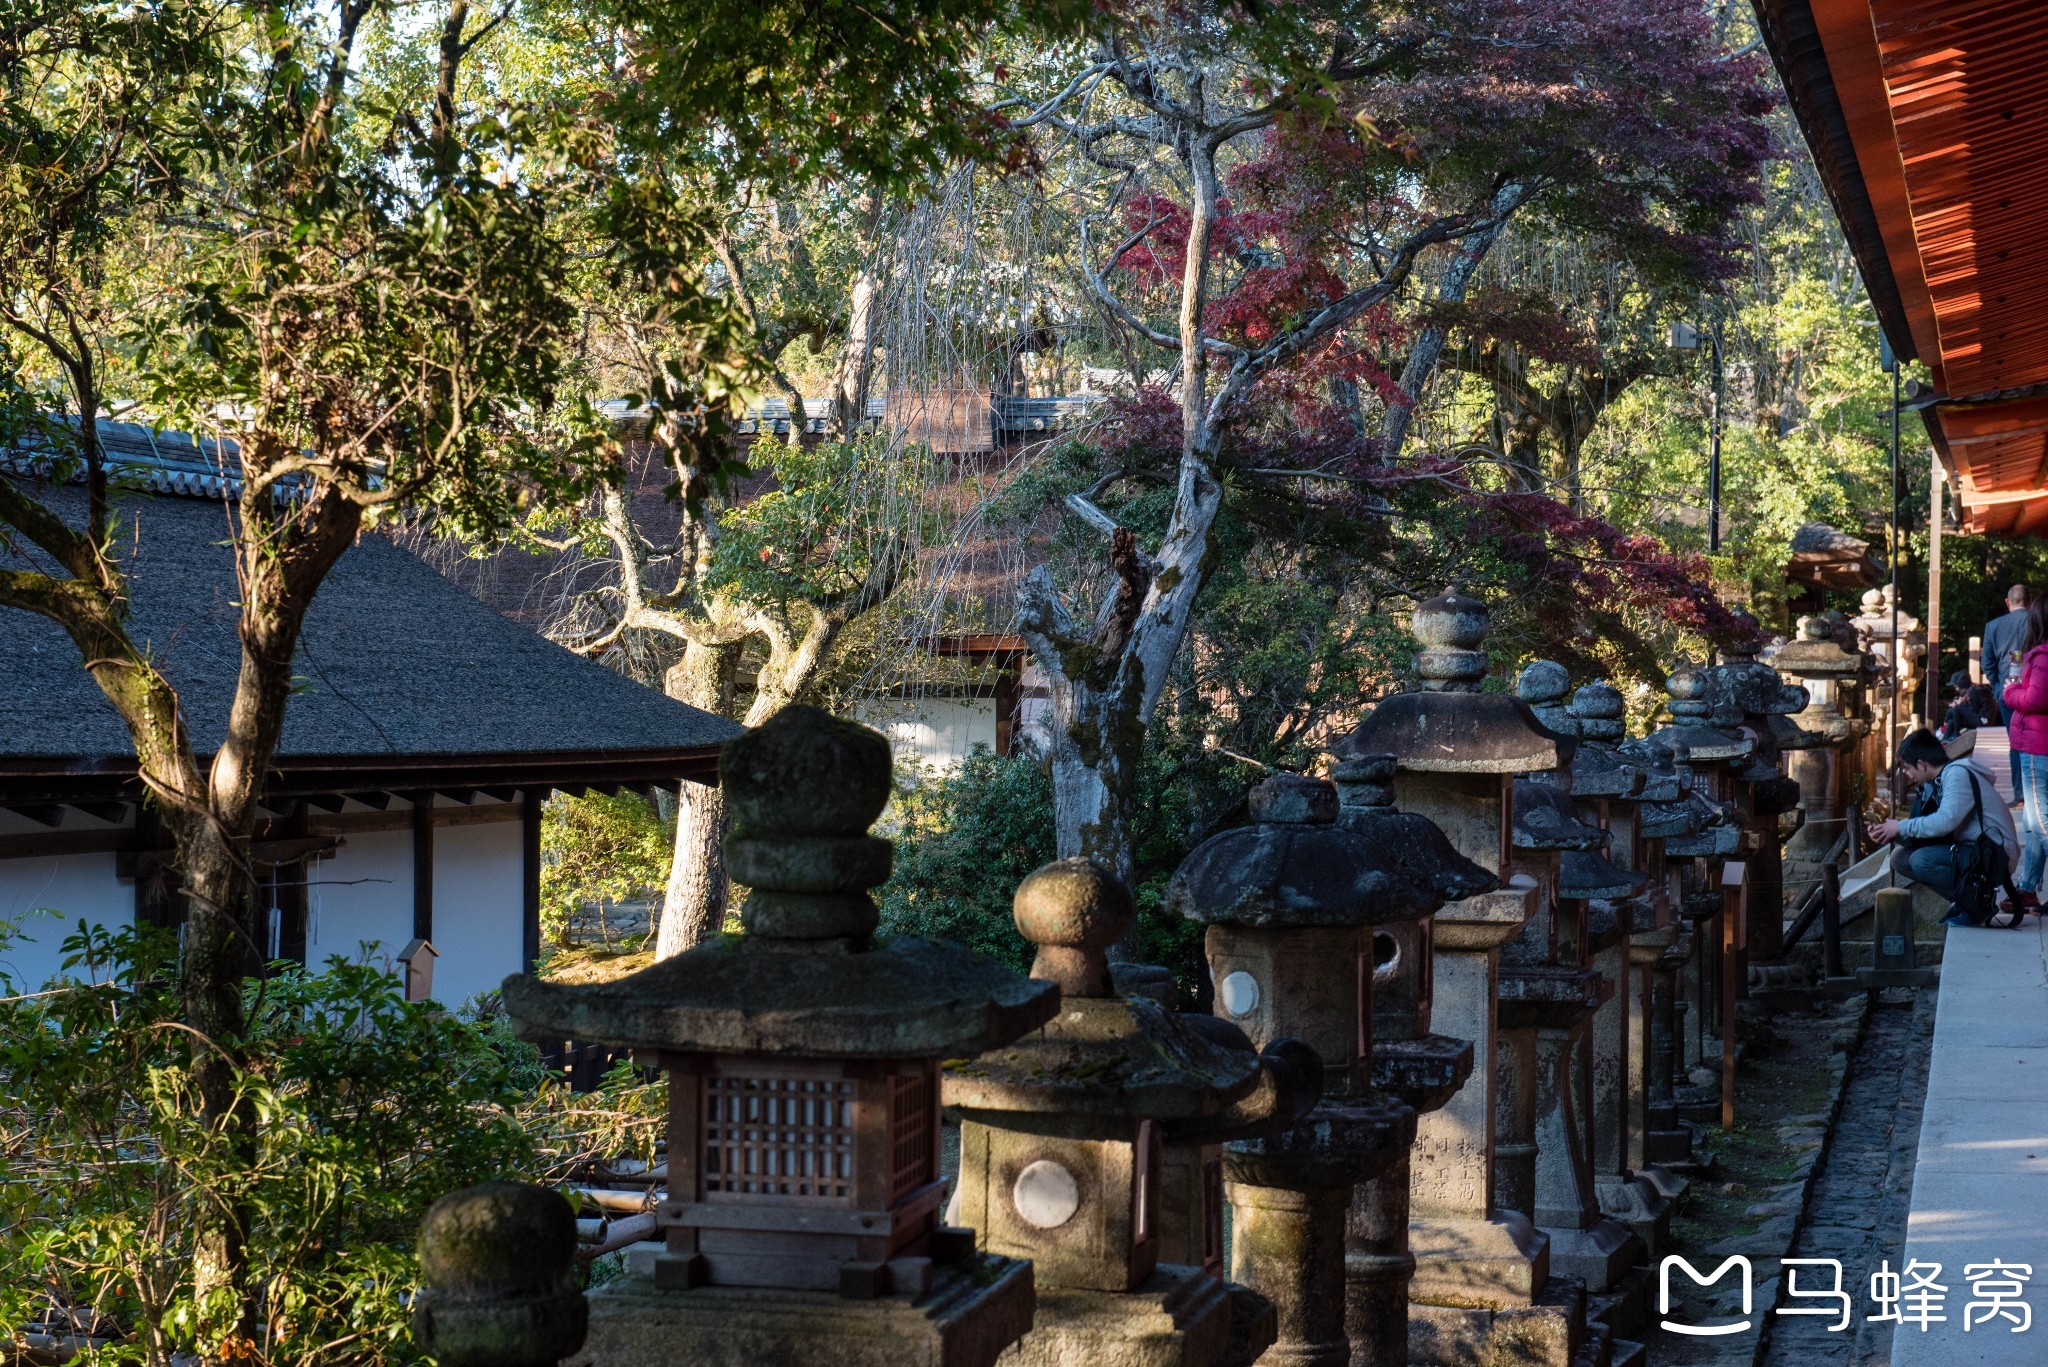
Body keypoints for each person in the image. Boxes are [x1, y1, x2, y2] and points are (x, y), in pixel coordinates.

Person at [1870, 729, 2021, 927]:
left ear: (1922, 765)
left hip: (1996, 854)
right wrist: (1892, 833)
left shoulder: (1957, 775)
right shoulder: (1936, 782)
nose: (1907, 775)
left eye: (1908, 768)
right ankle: (1965, 901)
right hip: (1979, 851)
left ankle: (1978, 902)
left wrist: (1901, 826)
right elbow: (1926, 831)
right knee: (1900, 858)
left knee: (1921, 860)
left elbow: (1944, 822)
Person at [1994, 593, 2048, 914]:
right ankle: (2027, 889)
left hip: (2036, 748)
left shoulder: (2041, 657)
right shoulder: (2033, 656)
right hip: (2037, 746)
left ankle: (2027, 888)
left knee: (2041, 823)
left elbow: (2034, 700)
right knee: (2030, 821)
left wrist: (2010, 690)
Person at [1983, 584, 2032, 796]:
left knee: (2016, 740)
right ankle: (2038, 792)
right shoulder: (2039, 621)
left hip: (2007, 691)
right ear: (2030, 602)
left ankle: (2020, 793)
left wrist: (1996, 688)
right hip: (2037, 689)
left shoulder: (1993, 626)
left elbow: (1988, 663)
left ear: (2007, 602)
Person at [1939, 670, 1998, 740]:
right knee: (1952, 716)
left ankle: (1956, 735)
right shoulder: (1974, 689)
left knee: (1957, 708)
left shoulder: (1973, 690)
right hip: (1984, 720)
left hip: (1983, 721)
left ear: (1960, 683)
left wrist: (1961, 704)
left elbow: (1974, 709)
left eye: (1955, 685)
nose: (1955, 688)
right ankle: (1945, 737)